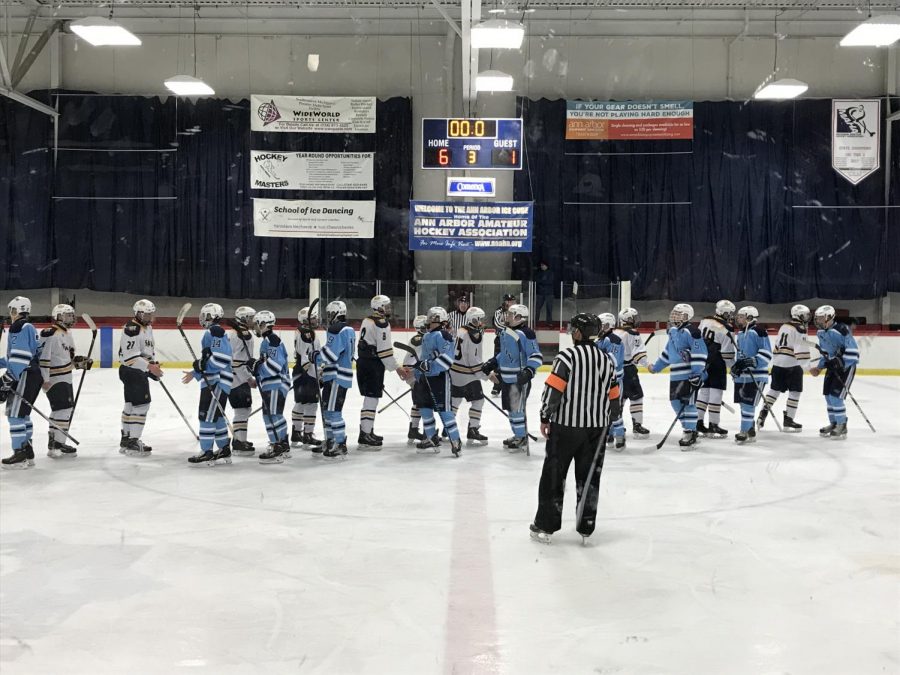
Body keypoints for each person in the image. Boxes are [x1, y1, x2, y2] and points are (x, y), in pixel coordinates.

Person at [529, 313, 620, 544]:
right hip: (596, 429)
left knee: (554, 475)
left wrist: (544, 416)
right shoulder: (607, 359)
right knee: (589, 477)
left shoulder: (567, 356)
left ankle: (546, 526)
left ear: (579, 333)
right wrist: (608, 421)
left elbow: (553, 391)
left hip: (566, 427)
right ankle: (586, 527)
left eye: (573, 329)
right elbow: (614, 396)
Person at [482, 303, 542, 453]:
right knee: (511, 408)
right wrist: (492, 362)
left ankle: (521, 437)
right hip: (506, 378)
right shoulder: (506, 332)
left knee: (517, 409)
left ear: (518, 317)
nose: (507, 317)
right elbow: (505, 353)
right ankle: (517, 434)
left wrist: (528, 370)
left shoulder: (526, 333)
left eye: (510, 314)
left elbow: (535, 355)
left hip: (518, 379)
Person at [647, 303, 708, 449]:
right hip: (675, 375)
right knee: (675, 402)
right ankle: (688, 428)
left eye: (678, 313)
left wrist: (696, 373)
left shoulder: (692, 332)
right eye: (674, 312)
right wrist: (656, 367)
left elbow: (700, 353)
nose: (674, 315)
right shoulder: (673, 332)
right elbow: (668, 353)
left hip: (689, 375)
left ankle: (690, 431)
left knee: (689, 404)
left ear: (687, 316)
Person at [181, 303, 234, 466]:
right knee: (216, 417)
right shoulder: (213, 332)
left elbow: (221, 358)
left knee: (205, 416)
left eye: (205, 315)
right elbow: (208, 360)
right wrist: (196, 371)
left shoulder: (215, 331)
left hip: (217, 381)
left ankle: (206, 451)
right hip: (215, 380)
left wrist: (202, 365)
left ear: (212, 316)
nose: (203, 318)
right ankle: (224, 448)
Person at [37, 304, 92, 459]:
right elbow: (44, 357)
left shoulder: (67, 333)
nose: (71, 318)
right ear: (58, 316)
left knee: (63, 409)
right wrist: (44, 379)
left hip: (65, 377)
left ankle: (56, 443)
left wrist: (79, 363)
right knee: (63, 409)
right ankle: (57, 443)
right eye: (67, 315)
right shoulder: (50, 333)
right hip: (54, 378)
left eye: (72, 315)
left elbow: (66, 358)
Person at [356, 295, 408, 450]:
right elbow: (384, 351)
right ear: (379, 307)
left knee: (369, 398)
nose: (389, 308)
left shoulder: (367, 320)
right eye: (386, 306)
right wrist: (397, 368)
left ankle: (367, 431)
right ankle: (365, 434)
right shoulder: (381, 323)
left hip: (363, 363)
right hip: (373, 365)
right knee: (371, 399)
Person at [411, 307, 462, 457]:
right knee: (425, 409)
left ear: (439, 319)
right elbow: (425, 357)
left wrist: (430, 366)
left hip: (439, 379)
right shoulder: (428, 336)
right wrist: (418, 368)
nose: (429, 320)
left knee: (445, 411)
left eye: (432, 317)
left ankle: (456, 440)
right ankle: (430, 437)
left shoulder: (443, 335)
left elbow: (447, 359)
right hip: (424, 379)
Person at [1, 297, 43, 469]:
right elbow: (19, 355)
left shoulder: (19, 326)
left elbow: (20, 358)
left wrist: (7, 379)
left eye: (11, 310)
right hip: (33, 374)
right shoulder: (28, 327)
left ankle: (19, 454)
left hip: (24, 375)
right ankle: (27, 451)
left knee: (15, 415)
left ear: (15, 311)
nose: (10, 314)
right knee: (23, 414)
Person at [118, 299, 163, 457]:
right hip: (132, 371)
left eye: (151, 313)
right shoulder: (132, 329)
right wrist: (150, 368)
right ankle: (133, 441)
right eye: (145, 314)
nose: (149, 316)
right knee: (141, 405)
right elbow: (131, 357)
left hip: (135, 370)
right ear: (137, 313)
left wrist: (152, 365)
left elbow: (145, 351)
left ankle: (126, 439)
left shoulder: (147, 327)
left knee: (131, 404)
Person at [809, 305, 859, 440]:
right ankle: (834, 423)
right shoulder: (820, 333)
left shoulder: (842, 330)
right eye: (817, 318)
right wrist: (819, 368)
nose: (818, 321)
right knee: (828, 396)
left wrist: (841, 362)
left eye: (820, 318)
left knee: (836, 397)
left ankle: (842, 425)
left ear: (830, 317)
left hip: (846, 368)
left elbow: (854, 352)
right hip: (832, 367)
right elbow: (826, 354)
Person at [759, 304, 810, 432]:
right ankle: (789, 420)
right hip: (792, 364)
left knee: (774, 390)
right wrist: (807, 365)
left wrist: (776, 361)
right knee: (795, 391)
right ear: (798, 315)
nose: (807, 317)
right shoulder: (800, 328)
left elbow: (777, 345)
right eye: (805, 315)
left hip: (778, 363)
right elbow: (801, 349)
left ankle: (763, 413)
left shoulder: (784, 326)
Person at [252, 310, 292, 462]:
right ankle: (281, 444)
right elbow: (266, 364)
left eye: (257, 324)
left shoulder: (272, 340)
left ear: (263, 324)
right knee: (269, 415)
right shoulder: (267, 341)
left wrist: (258, 368)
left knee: (273, 415)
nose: (255, 328)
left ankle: (278, 445)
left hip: (276, 382)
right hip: (271, 383)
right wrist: (258, 371)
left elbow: (275, 366)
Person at [730, 306, 772, 444]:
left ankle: (744, 431)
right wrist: (737, 367)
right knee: (743, 404)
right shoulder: (741, 333)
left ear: (749, 317)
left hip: (757, 375)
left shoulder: (758, 331)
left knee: (748, 404)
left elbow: (766, 353)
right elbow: (741, 355)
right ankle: (750, 430)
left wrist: (752, 361)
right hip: (743, 377)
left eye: (741, 316)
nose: (738, 319)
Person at [321, 300, 355, 459]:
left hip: (336, 375)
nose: (328, 317)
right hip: (339, 374)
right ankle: (330, 441)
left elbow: (331, 355)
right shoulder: (348, 329)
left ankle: (339, 443)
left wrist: (315, 355)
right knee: (328, 410)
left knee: (333, 411)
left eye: (329, 314)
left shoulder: (336, 329)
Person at [697, 300, 736, 438]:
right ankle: (713, 424)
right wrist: (733, 368)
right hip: (716, 361)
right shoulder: (727, 327)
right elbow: (727, 353)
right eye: (729, 313)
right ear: (723, 312)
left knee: (704, 393)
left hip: (703, 360)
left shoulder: (705, 320)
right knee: (716, 393)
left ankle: (698, 422)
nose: (731, 316)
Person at [450, 306, 489, 446]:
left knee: (455, 401)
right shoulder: (475, 334)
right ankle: (473, 429)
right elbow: (473, 360)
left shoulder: (462, 329)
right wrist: (486, 375)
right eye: (481, 319)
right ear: (474, 319)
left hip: (454, 372)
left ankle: (447, 429)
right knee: (478, 401)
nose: (483, 322)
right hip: (467, 374)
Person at [290, 306, 324, 450]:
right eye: (313, 318)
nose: (316, 320)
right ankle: (308, 434)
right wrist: (315, 374)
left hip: (300, 372)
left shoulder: (301, 331)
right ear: (307, 320)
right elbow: (306, 358)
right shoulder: (307, 334)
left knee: (301, 402)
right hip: (307, 373)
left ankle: (296, 432)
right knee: (311, 404)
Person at [614, 307, 650, 436]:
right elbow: (638, 353)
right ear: (628, 319)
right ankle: (637, 425)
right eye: (634, 317)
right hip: (628, 371)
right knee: (636, 396)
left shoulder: (615, 332)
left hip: (615, 370)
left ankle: (616, 425)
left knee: (619, 398)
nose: (636, 320)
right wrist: (647, 365)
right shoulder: (633, 333)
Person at [227, 306, 256, 456]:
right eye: (251, 317)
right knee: (242, 409)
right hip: (237, 378)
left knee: (243, 409)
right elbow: (237, 363)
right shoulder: (240, 335)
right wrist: (249, 378)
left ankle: (239, 440)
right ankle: (238, 442)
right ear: (244, 318)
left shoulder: (236, 333)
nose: (253, 320)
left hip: (234, 377)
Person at [597, 312, 626, 450]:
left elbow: (613, 361)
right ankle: (609, 433)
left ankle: (620, 435)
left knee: (614, 409)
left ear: (610, 325)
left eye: (603, 325)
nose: (600, 328)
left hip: (614, 382)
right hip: (602, 381)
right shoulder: (600, 340)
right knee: (604, 409)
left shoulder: (614, 340)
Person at [404, 314, 428, 444]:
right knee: (424, 403)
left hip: (413, 375)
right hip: (415, 376)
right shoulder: (421, 339)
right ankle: (427, 432)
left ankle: (413, 429)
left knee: (418, 403)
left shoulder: (418, 338)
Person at [490, 293, 516, 397]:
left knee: (511, 363)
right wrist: (510, 328)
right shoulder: (498, 311)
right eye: (508, 301)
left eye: (512, 301)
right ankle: (497, 386)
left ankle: (511, 385)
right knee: (497, 362)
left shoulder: (516, 311)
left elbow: (518, 323)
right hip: (500, 340)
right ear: (504, 301)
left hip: (513, 340)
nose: (510, 303)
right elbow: (497, 324)